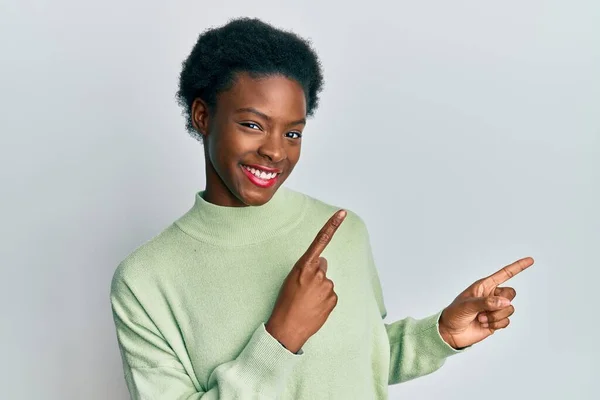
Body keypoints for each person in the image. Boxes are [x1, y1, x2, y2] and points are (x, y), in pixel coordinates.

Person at [109, 17, 534, 399]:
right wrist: (281, 336)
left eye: (292, 133)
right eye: (253, 125)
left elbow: (356, 364)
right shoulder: (146, 279)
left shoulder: (344, 231)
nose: (275, 151)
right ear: (203, 116)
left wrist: (440, 332)